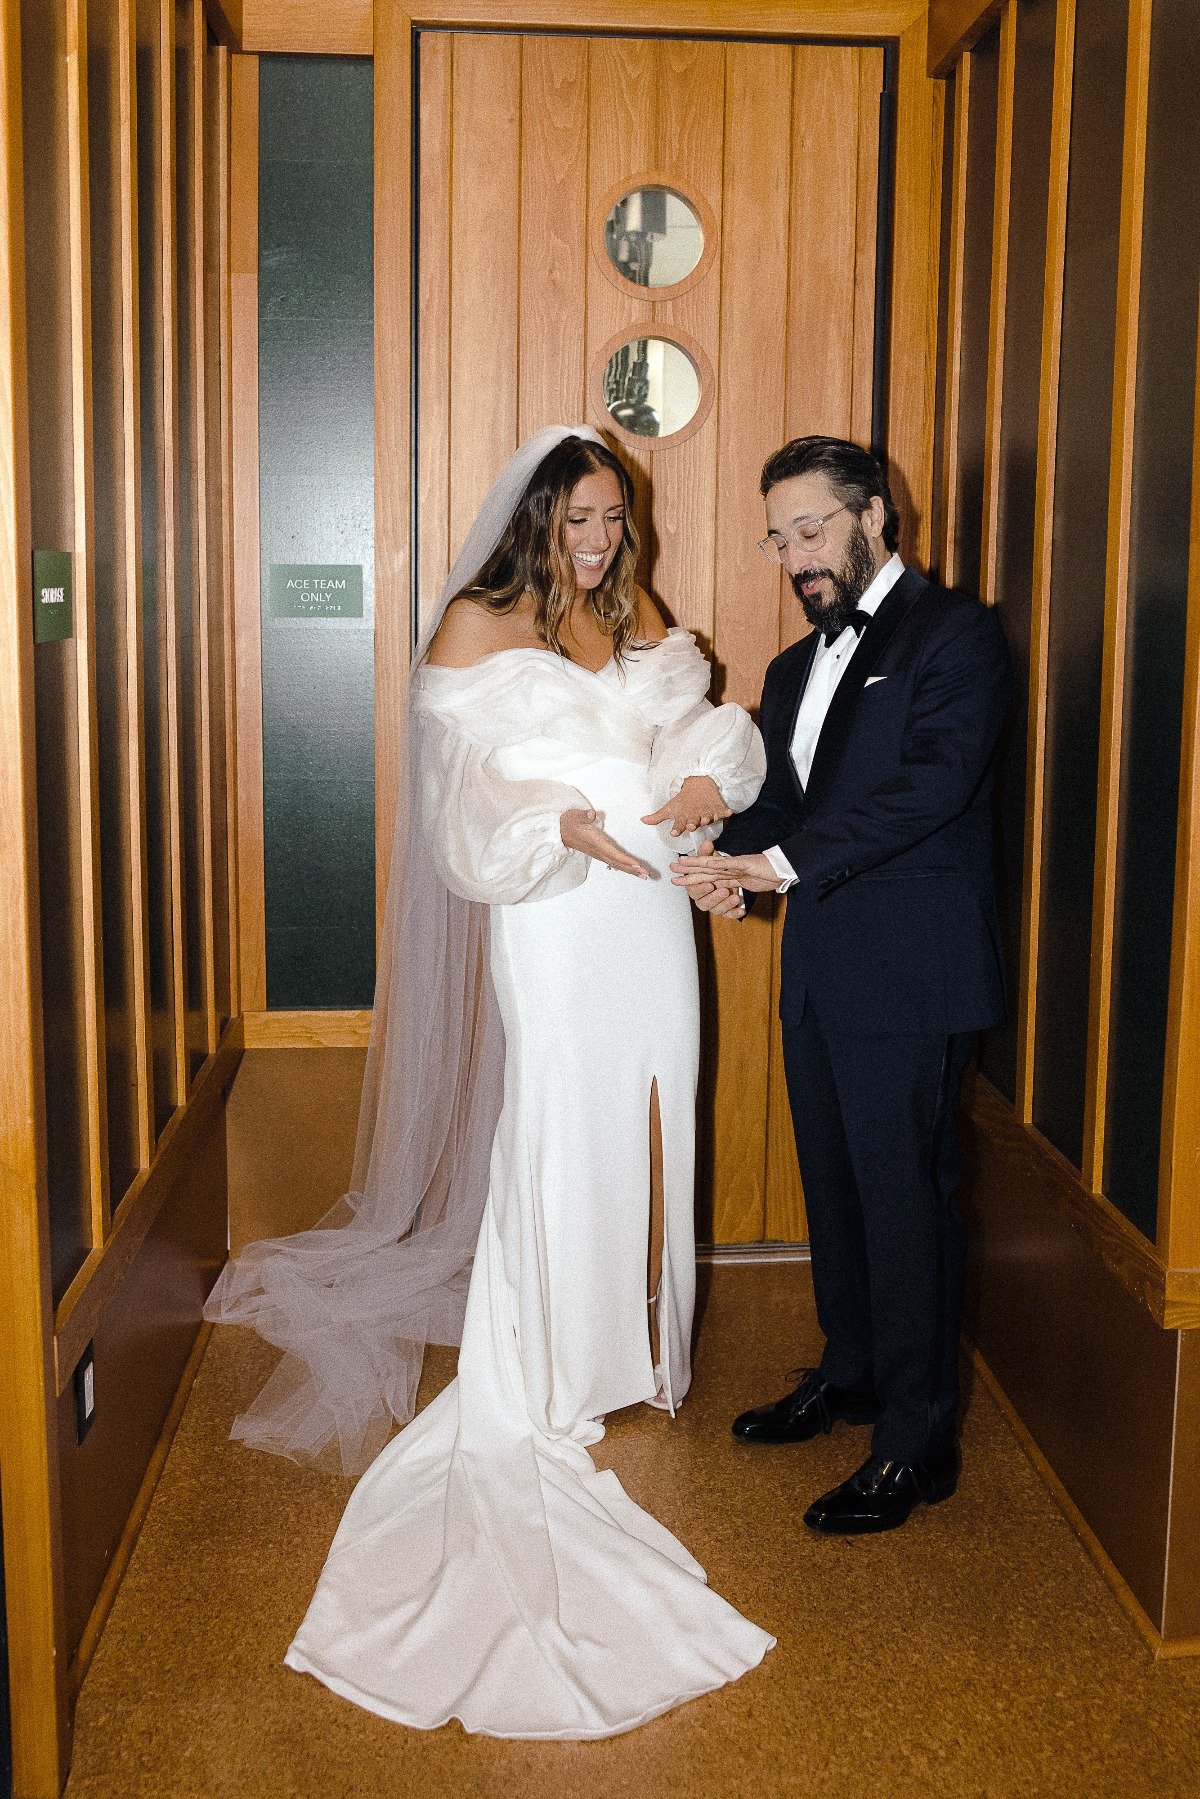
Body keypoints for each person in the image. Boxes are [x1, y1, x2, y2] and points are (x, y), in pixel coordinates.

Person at [205, 425, 773, 1736]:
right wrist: (558, 824)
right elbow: (460, 804)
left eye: (613, 517)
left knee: (654, 1119)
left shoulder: (629, 610)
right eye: (578, 516)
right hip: (559, 918)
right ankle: (551, 1369)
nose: (598, 537)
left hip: (650, 928)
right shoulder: (476, 621)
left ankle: (641, 1346)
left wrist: (696, 783)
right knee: (564, 1130)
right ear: (532, 517)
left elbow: (708, 735)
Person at [672, 436, 1011, 1536]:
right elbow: (786, 813)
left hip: (913, 976)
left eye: (811, 529)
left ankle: (917, 1439)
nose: (795, 557)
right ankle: (854, 1371)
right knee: (838, 1189)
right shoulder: (787, 668)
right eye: (779, 538)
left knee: (907, 1202)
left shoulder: (956, 634)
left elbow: (930, 787)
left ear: (875, 513)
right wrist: (732, 862)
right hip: (821, 970)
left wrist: (776, 864)